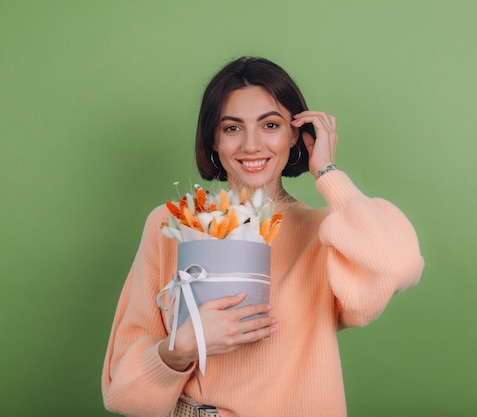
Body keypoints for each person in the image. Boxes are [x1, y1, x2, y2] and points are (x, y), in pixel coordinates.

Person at [102, 56, 424, 417]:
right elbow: (123, 395)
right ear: (213, 139)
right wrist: (179, 350)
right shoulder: (174, 223)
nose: (251, 146)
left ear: (295, 135)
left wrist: (328, 172)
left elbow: (399, 265)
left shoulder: (327, 234)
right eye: (232, 128)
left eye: (270, 125)